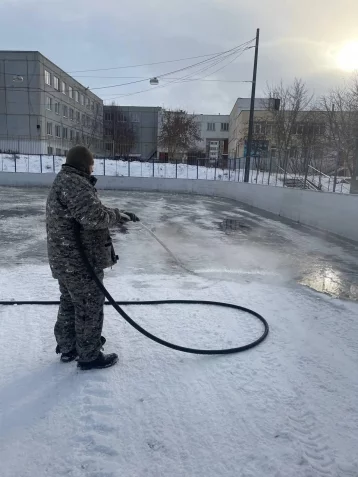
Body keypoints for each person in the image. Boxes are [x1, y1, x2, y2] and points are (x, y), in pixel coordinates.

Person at [46, 146, 139, 370]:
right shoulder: (75, 183)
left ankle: (69, 347)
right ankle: (89, 355)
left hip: (65, 259)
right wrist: (116, 216)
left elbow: (88, 209)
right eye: (91, 164)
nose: (92, 168)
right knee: (88, 305)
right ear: (82, 164)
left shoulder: (65, 180)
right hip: (79, 262)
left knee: (70, 302)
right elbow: (94, 216)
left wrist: (120, 213)